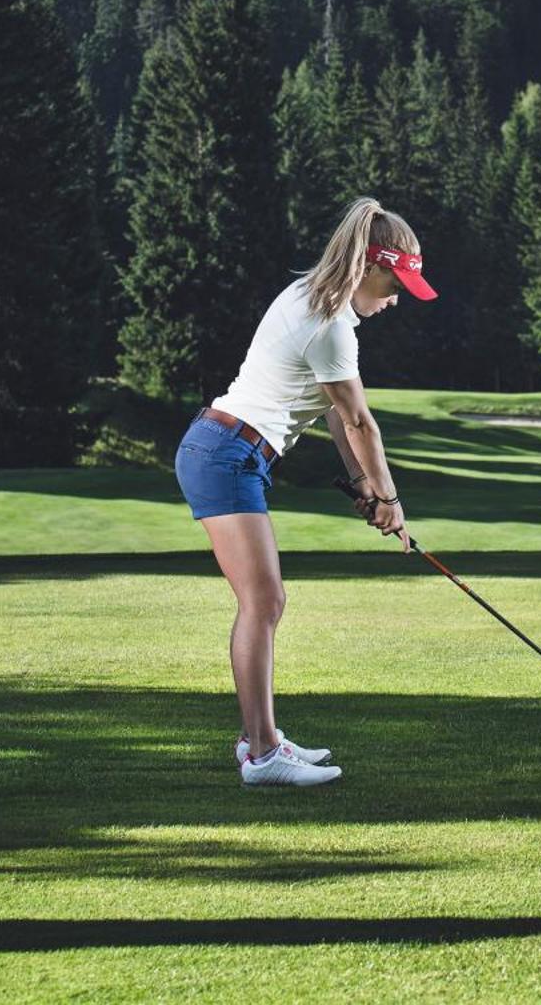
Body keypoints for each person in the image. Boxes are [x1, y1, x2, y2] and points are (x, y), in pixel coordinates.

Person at [173, 195, 438, 787]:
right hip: (226, 455)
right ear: (371, 266)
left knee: (266, 602)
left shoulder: (309, 298)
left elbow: (338, 421)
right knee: (263, 603)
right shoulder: (330, 325)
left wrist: (367, 489)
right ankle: (264, 755)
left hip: (222, 448)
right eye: (395, 285)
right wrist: (391, 503)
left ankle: (258, 739)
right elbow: (361, 422)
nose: (395, 300)